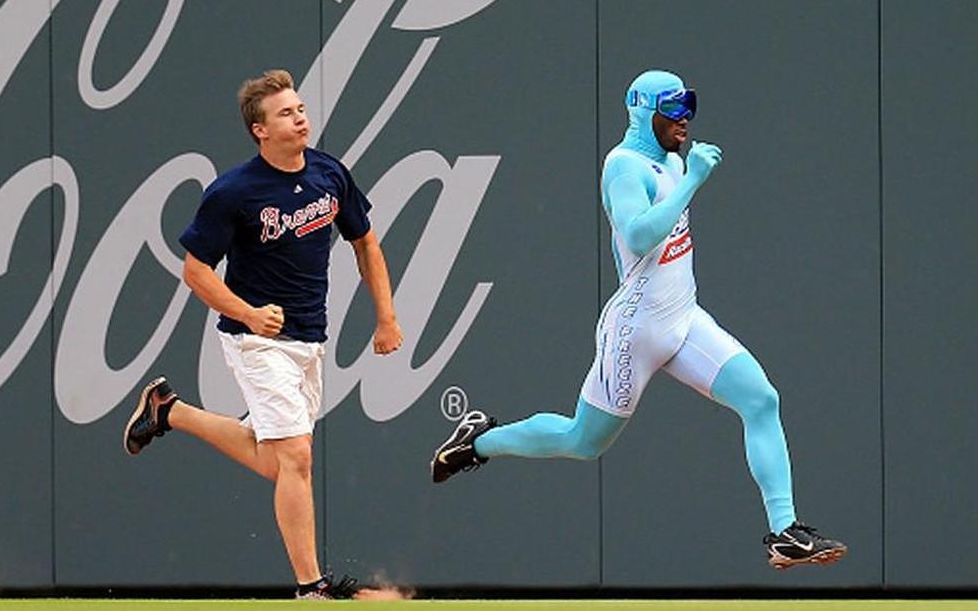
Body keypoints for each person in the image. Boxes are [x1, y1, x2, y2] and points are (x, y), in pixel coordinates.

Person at [430, 69, 846, 570]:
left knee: (761, 399)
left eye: (689, 108)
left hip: (683, 317)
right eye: (674, 110)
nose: (685, 120)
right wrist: (692, 180)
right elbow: (640, 234)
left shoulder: (669, 159)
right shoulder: (625, 167)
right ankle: (478, 441)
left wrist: (684, 173)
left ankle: (785, 533)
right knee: (582, 442)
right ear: (646, 113)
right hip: (637, 329)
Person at [123, 69, 402, 599]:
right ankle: (311, 587)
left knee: (278, 462)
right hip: (256, 340)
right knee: (296, 456)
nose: (299, 118)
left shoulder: (329, 174)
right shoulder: (234, 192)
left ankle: (168, 410)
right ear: (260, 130)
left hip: (307, 338)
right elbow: (196, 271)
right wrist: (249, 314)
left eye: (299, 109)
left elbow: (365, 243)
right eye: (285, 114)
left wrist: (385, 317)